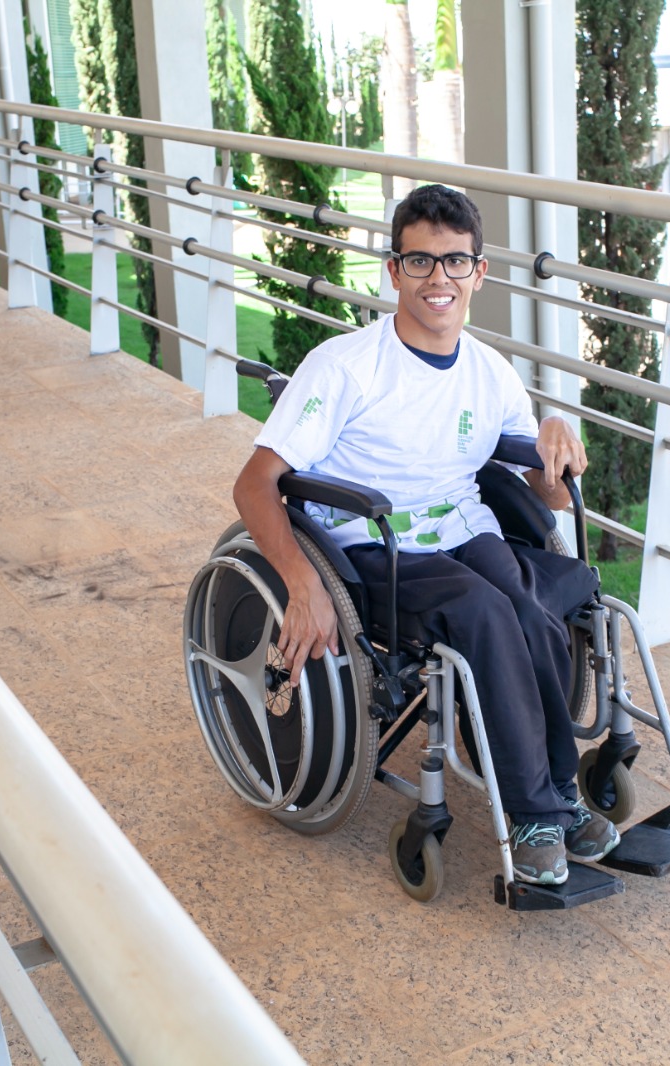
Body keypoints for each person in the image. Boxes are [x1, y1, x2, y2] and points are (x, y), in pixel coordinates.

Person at [232, 184, 618, 885]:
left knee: (531, 607)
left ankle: (557, 790)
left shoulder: (490, 373)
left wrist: (557, 435)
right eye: (420, 261)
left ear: (479, 271)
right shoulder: (345, 366)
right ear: (393, 270)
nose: (438, 278)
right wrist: (301, 582)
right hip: (373, 546)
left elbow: (549, 496)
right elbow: (254, 484)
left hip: (463, 529)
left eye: (455, 261)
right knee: (486, 612)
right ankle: (533, 812)